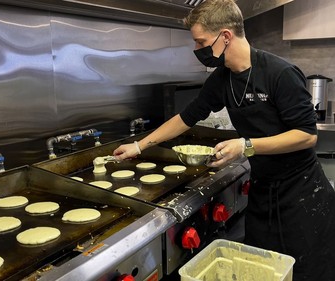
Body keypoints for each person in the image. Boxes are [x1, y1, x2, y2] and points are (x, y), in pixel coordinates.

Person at [113, 0, 335, 280]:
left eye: (200, 42)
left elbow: (306, 135)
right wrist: (139, 145)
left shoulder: (280, 73)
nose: (197, 50)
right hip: (263, 190)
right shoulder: (222, 79)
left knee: (305, 271)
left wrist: (246, 146)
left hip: (302, 194)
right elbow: (186, 117)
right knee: (258, 268)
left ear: (226, 36)